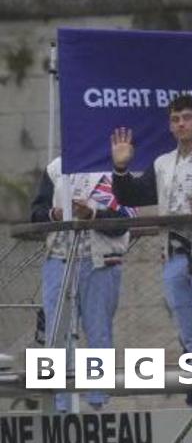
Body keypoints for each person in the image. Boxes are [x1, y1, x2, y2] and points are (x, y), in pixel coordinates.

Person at [108, 94, 192, 399]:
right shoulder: (163, 163)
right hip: (175, 253)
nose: (181, 124)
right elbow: (133, 195)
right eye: (175, 119)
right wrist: (121, 168)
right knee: (190, 337)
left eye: (187, 118)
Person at [31, 159, 132, 412]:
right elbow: (36, 213)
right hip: (58, 258)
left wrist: (92, 214)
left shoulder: (113, 168)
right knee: (56, 333)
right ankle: (60, 404)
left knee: (98, 333)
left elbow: (124, 221)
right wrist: (55, 214)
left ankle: (97, 403)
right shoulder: (56, 168)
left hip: (99, 262)